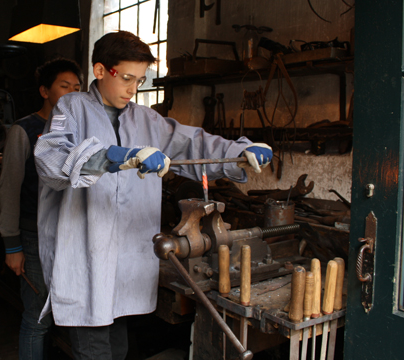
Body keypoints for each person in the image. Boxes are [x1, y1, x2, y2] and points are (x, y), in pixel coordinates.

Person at [33, 31, 273, 360]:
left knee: (118, 346)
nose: (134, 90)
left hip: (123, 261)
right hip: (84, 256)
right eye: (127, 78)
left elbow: (192, 144)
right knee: (94, 350)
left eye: (141, 80)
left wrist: (239, 152)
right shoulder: (70, 108)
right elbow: (51, 159)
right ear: (101, 71)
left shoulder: (146, 118)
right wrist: (113, 157)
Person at [0, 58, 83, 360]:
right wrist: (12, 246)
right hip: (33, 238)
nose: (72, 93)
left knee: (72, 315)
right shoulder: (25, 130)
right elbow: (9, 190)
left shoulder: (81, 133)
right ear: (45, 91)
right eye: (64, 86)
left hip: (72, 237)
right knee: (37, 318)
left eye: (77, 87)